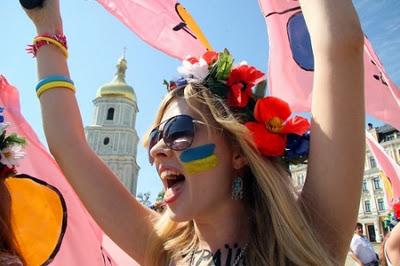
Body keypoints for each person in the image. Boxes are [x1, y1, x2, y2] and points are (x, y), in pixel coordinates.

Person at [22, 0, 365, 264]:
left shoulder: (309, 236)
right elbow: (69, 145)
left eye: (178, 132)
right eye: (156, 137)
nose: (157, 151)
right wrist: (46, 22)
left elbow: (341, 46)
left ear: (237, 153)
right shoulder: (163, 251)